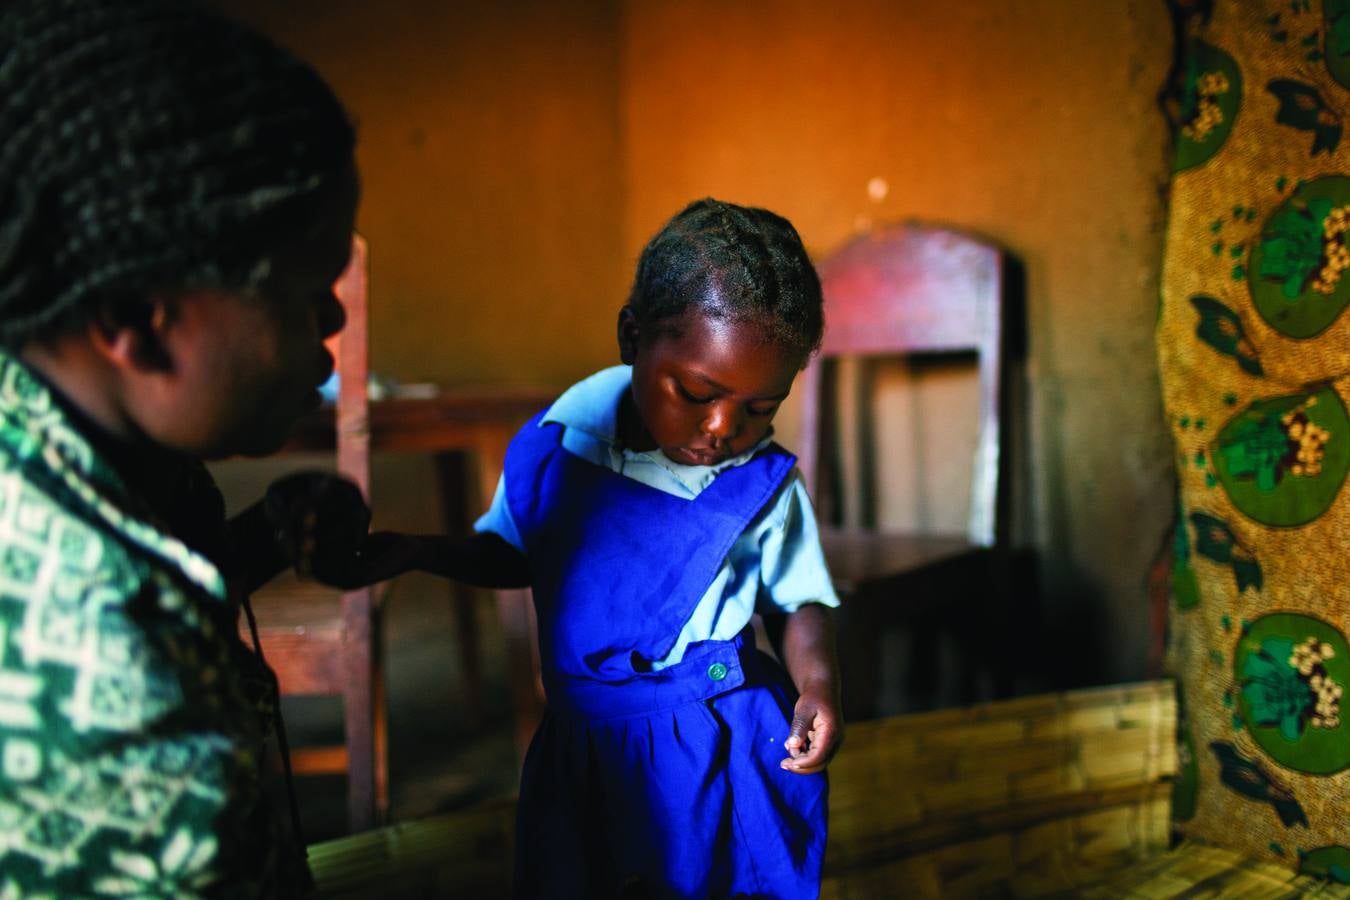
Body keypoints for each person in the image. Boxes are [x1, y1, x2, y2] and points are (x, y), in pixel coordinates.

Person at [377, 198, 844, 897]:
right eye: (695, 391)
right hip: (584, 745)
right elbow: (516, 552)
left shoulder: (763, 484)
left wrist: (818, 685)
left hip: (717, 744)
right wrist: (417, 550)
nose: (722, 427)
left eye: (760, 408)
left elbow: (796, 596)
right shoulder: (557, 447)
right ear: (633, 338)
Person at [0, 0, 364, 894]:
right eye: (307, 288)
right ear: (132, 318)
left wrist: (261, 542)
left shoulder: (58, 418)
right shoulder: (116, 714)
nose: (336, 316)